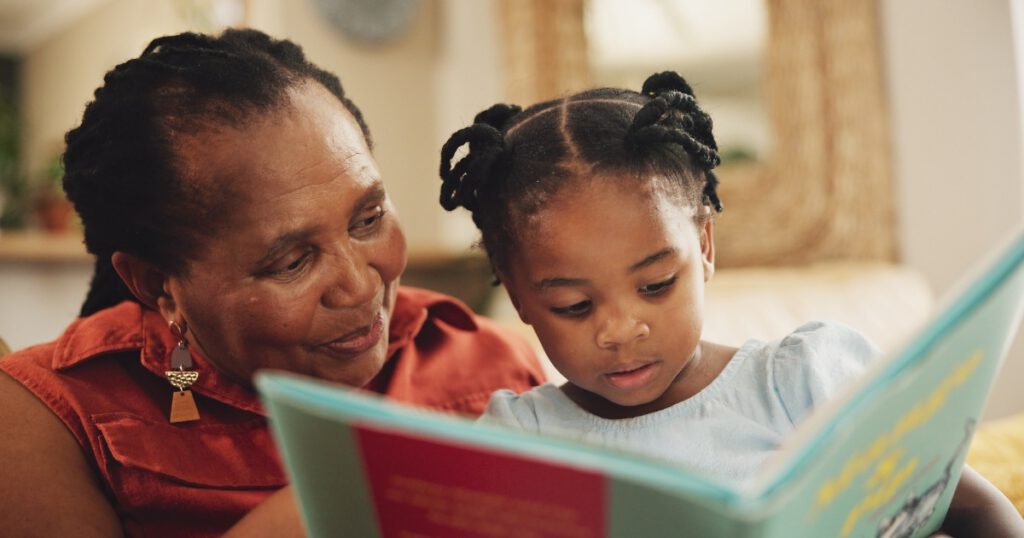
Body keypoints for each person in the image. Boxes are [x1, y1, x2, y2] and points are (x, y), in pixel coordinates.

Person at [0, 29, 545, 537]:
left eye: (368, 218)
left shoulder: (486, 360)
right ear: (157, 284)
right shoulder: (45, 416)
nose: (358, 288)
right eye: (291, 263)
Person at [437, 71, 1024, 535]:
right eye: (573, 306)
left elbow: (974, 511)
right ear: (518, 298)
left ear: (705, 245)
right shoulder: (521, 440)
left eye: (655, 284)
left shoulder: (802, 383)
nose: (619, 329)